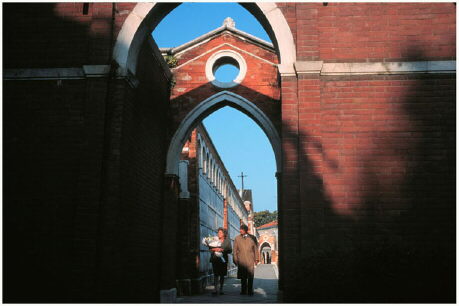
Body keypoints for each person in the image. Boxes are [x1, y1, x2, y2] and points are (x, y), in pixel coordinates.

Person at [233, 224, 259, 296]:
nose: (240, 230)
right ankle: (243, 290)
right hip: (241, 260)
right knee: (243, 277)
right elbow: (234, 250)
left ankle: (250, 290)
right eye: (240, 229)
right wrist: (235, 259)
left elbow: (256, 249)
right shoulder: (237, 238)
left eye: (242, 229)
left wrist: (256, 259)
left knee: (250, 276)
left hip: (250, 259)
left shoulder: (252, 238)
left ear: (245, 230)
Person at [209, 227, 232, 295]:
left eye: (220, 233)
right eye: (218, 232)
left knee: (222, 275)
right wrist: (215, 249)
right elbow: (210, 248)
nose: (219, 234)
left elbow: (230, 250)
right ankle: (215, 289)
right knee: (216, 274)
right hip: (215, 259)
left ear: (224, 234)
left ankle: (221, 289)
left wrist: (223, 250)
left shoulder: (227, 241)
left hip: (223, 260)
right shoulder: (214, 239)